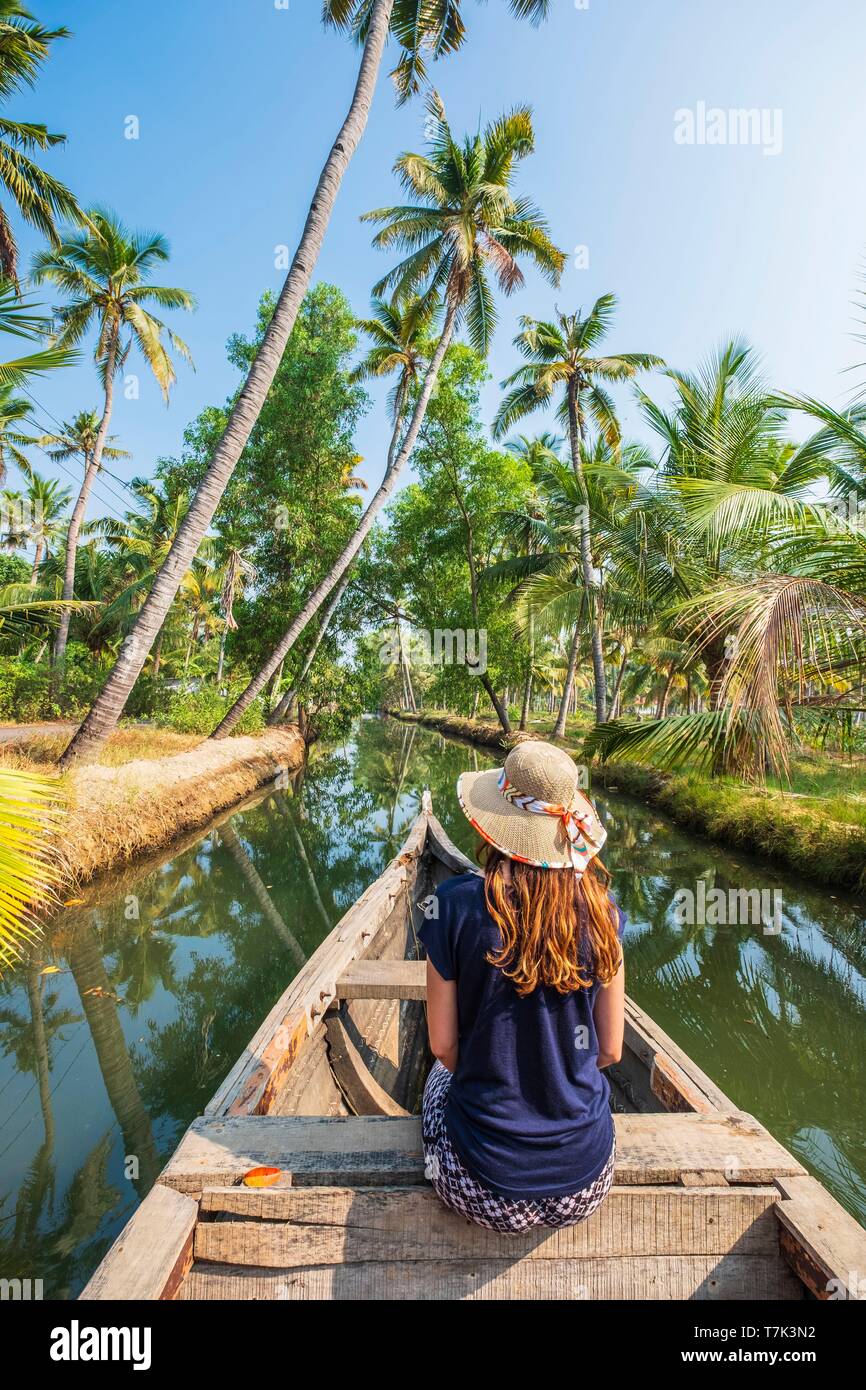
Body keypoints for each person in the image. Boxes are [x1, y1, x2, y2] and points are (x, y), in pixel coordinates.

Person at [419, 739, 625, 1234]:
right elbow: (612, 1050)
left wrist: (496, 1071)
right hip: (587, 1184)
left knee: (436, 1079)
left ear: (494, 827)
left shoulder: (451, 904)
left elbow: (444, 1046)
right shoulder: (604, 913)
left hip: (483, 1187)